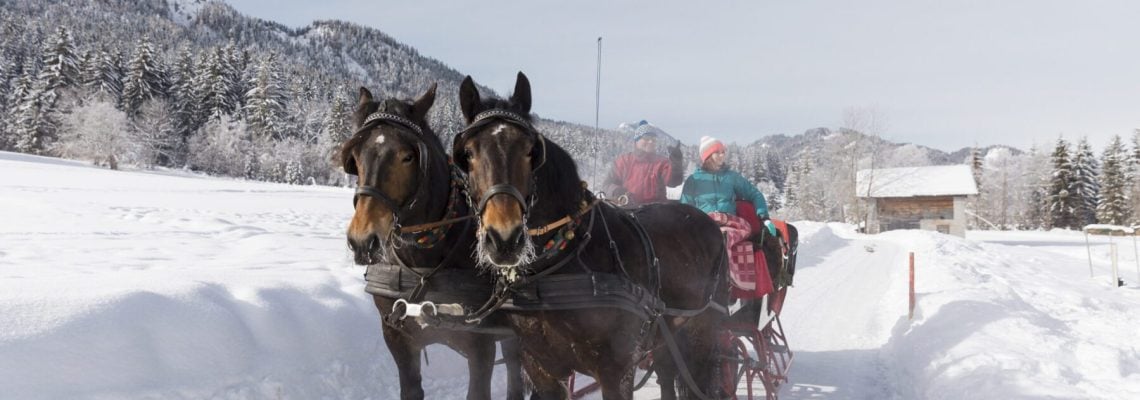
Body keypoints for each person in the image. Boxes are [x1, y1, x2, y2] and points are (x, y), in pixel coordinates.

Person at [681, 136, 778, 287]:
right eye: (717, 152)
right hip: (705, 225)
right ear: (707, 156)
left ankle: (727, 283)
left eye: (723, 151)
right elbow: (685, 208)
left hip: (732, 224)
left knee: (721, 238)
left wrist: (764, 217)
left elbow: (755, 194)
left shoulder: (731, 177)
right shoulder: (693, 181)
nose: (722, 155)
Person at [602, 121, 684, 206]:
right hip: (628, 211)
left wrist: (676, 162)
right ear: (636, 141)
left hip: (655, 212)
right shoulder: (623, 162)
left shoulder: (661, 163)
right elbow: (606, 185)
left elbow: (674, 182)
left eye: (653, 139)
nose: (651, 142)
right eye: (646, 138)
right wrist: (617, 190)